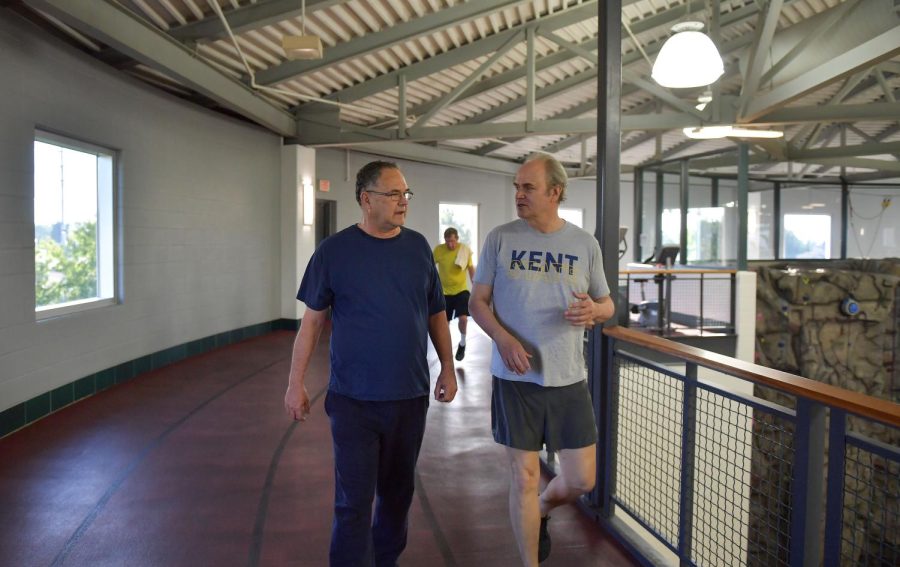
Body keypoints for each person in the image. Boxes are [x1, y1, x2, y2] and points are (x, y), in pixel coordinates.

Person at [284, 160, 458, 567]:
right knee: (354, 504)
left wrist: (447, 367)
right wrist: (295, 382)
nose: (403, 202)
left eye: (405, 194)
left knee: (397, 499)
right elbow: (311, 324)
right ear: (366, 199)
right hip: (353, 403)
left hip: (409, 399)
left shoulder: (418, 248)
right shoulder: (334, 252)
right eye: (393, 194)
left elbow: (435, 313)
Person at [469, 153, 614, 566]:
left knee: (582, 479)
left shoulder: (585, 244)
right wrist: (502, 338)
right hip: (516, 380)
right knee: (524, 477)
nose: (518, 194)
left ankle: (544, 510)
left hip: (568, 380)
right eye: (516, 187)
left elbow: (607, 305)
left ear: (555, 192)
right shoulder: (500, 238)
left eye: (527, 188)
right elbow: (477, 301)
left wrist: (595, 312)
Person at [433, 227, 476, 361]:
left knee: (463, 319)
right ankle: (446, 351)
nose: (450, 244)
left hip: (461, 290)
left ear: (457, 239)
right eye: (447, 242)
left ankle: (462, 343)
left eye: (452, 241)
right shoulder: (439, 250)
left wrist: (476, 288)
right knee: (443, 323)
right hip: (444, 292)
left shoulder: (464, 250)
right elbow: (429, 266)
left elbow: (471, 269)